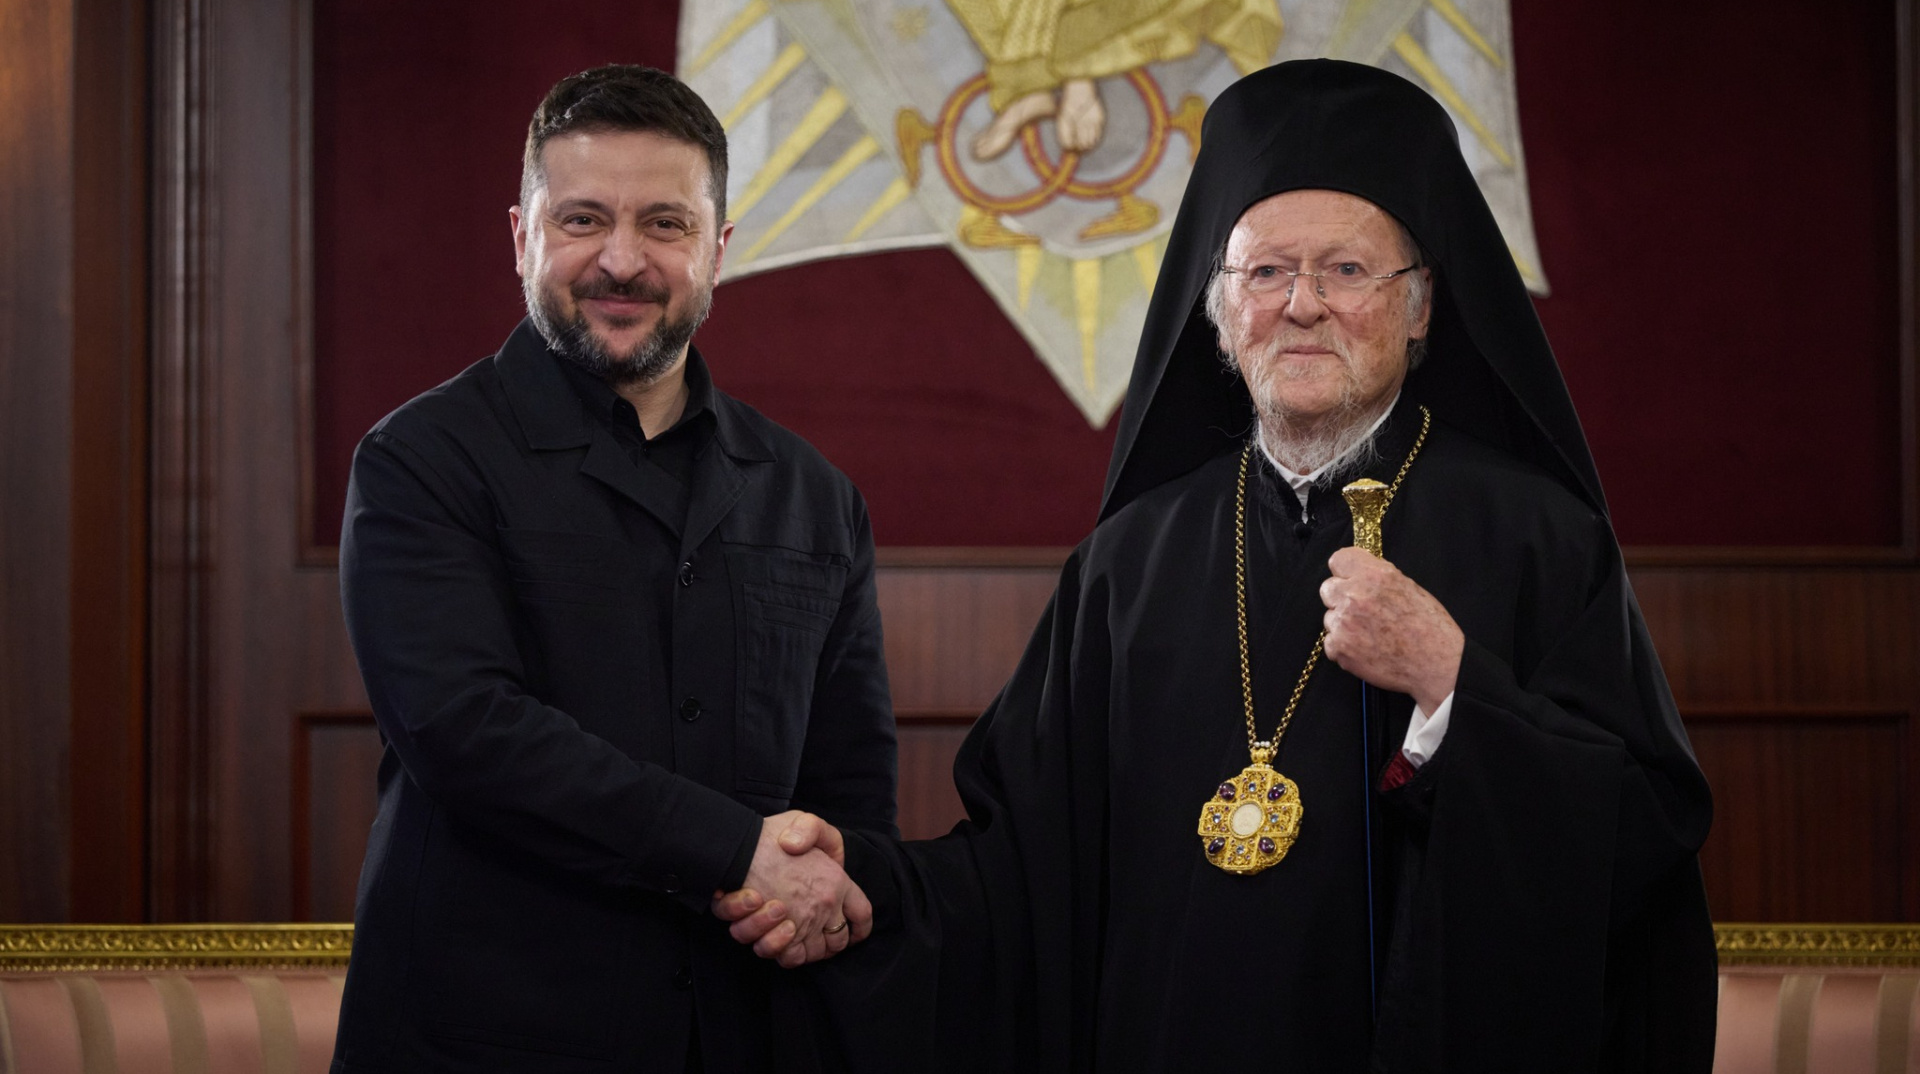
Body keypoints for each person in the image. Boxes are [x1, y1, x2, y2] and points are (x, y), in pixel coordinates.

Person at [718, 59, 1718, 1071]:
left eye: (1347, 270)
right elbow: (1022, 874)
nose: (1302, 306)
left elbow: (1640, 835)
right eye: (1266, 271)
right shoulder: (1127, 565)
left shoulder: (1536, 538)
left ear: (1421, 310)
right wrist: (867, 888)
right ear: (1216, 307)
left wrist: (1452, 686)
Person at [331, 65, 894, 1073]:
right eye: (584, 219)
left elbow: (850, 779)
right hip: (485, 1036)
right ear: (522, 238)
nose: (621, 262)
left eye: (666, 225)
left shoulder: (814, 496)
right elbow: (466, 733)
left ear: (718, 252)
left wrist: (833, 882)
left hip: (745, 1032)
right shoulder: (421, 462)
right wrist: (736, 851)